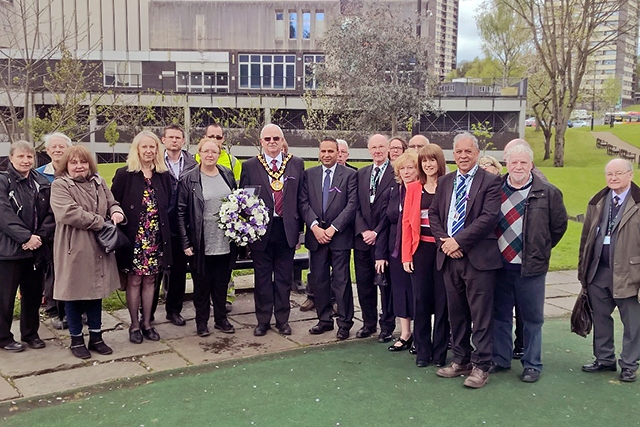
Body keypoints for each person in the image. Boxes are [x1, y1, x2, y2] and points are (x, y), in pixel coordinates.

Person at [429, 132, 502, 389]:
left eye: (468, 151)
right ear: (453, 154)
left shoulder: (491, 182)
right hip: (449, 258)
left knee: (480, 315)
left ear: (477, 153)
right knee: (456, 312)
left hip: (479, 260)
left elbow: (488, 217)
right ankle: (460, 360)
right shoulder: (446, 181)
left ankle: (482, 365)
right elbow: (434, 215)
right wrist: (446, 243)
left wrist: (458, 241)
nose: (463, 156)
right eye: (458, 152)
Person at [491, 143, 567, 383]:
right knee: (500, 315)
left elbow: (558, 227)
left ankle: (532, 364)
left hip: (530, 268)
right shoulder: (494, 190)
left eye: (524, 162)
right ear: (507, 164)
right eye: (514, 162)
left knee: (532, 319)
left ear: (531, 165)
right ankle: (500, 359)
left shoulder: (548, 192)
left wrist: (540, 249)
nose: (519, 167)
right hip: (499, 266)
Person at [50, 145, 124, 359]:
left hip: (99, 246)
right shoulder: (60, 185)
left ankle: (96, 337)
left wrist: (116, 211)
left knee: (96, 292)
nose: (79, 166)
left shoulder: (99, 182)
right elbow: (69, 213)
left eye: (83, 162)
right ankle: (76, 339)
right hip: (75, 246)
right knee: (73, 294)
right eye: (74, 163)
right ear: (66, 166)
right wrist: (101, 222)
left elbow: (112, 201)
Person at [578, 158, 640, 383]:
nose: (613, 178)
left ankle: (629, 365)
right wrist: (582, 270)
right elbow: (585, 238)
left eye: (618, 174)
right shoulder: (598, 201)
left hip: (629, 273)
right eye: (609, 174)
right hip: (598, 270)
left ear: (630, 175)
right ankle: (604, 359)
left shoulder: (638, 202)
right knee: (601, 318)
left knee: (632, 322)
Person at [239, 124, 304, 336]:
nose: (272, 142)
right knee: (263, 278)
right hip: (261, 231)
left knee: (284, 279)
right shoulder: (250, 166)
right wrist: (248, 231)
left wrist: (300, 232)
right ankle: (263, 320)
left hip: (286, 229)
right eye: (267, 139)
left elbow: (301, 200)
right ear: (261, 142)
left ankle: (283, 320)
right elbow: (244, 201)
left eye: (276, 138)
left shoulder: (296, 164)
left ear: (282, 140)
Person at [111, 131, 173, 344]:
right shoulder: (125, 174)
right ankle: (134, 325)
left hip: (156, 237)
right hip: (134, 239)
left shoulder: (163, 176)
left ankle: (147, 323)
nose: (148, 150)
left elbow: (170, 207)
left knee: (151, 280)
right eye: (144, 147)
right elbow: (113, 203)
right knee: (134, 280)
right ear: (137, 149)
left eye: (152, 147)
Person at [177, 138, 237, 337]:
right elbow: (181, 212)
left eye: (214, 151)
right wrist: (185, 242)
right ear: (199, 153)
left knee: (221, 283)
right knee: (202, 285)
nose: (210, 155)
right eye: (206, 151)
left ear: (219, 154)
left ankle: (221, 319)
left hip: (224, 240)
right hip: (201, 241)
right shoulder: (189, 178)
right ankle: (201, 322)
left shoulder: (227, 174)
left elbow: (237, 202)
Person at [300, 138, 357, 340]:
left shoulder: (350, 175)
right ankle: (324, 320)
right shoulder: (309, 174)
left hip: (339, 237)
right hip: (316, 237)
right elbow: (303, 202)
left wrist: (333, 228)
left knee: (341, 282)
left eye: (331, 151)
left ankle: (344, 323)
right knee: (320, 281)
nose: (326, 154)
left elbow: (351, 205)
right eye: (323, 151)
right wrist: (315, 227)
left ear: (338, 152)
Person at [0, 141, 55, 353]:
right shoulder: (3, 181)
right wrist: (25, 238)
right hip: (10, 250)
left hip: (36, 249)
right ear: (11, 158)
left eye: (29, 157)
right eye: (21, 157)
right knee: (5, 297)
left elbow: (51, 213)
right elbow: (4, 215)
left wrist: (39, 237)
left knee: (32, 295)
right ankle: (3, 337)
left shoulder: (41, 181)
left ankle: (31, 333)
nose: (26, 161)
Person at [402, 144, 450, 368]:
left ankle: (440, 352)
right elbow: (406, 224)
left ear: (439, 162)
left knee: (443, 303)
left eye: (432, 160)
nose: (428, 165)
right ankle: (423, 351)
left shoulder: (449, 186)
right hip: (420, 251)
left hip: (443, 252)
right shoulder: (413, 189)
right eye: (424, 161)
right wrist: (406, 255)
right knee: (421, 301)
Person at [354, 134, 396, 342]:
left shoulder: (395, 172)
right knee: (364, 283)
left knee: (385, 285)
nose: (377, 151)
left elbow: (393, 209)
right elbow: (355, 206)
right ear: (368, 150)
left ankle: (387, 325)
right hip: (362, 240)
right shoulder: (361, 174)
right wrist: (363, 231)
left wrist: (377, 232)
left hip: (384, 238)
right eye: (374, 147)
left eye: (381, 146)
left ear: (388, 148)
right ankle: (368, 323)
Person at [375, 152, 418, 351]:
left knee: (417, 292)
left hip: (418, 249)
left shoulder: (423, 191)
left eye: (411, 167)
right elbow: (384, 223)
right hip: (395, 249)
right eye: (403, 168)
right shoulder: (393, 192)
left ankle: (420, 334)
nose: (407, 172)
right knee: (400, 291)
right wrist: (380, 255)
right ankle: (405, 333)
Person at [158, 124, 197, 326]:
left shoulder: (192, 163)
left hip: (183, 224)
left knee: (179, 270)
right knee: (154, 270)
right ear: (163, 140)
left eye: (178, 137)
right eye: (170, 137)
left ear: (183, 141)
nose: (174, 140)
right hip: (159, 223)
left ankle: (174, 310)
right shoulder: (155, 162)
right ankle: (144, 311)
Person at [203, 124, 242, 312]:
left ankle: (225, 301)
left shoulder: (233, 163)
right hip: (204, 228)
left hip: (226, 228)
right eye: (211, 136)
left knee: (224, 272)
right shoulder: (195, 159)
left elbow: (239, 192)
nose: (215, 140)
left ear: (223, 139)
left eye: (218, 137)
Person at [36, 132, 73, 330]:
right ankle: (53, 309)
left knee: (73, 270)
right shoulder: (39, 174)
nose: (58, 150)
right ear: (48, 150)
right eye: (54, 147)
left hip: (74, 231)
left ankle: (76, 308)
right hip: (50, 231)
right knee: (53, 271)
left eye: (62, 146)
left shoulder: (76, 170)